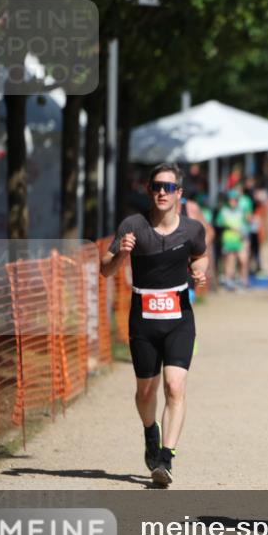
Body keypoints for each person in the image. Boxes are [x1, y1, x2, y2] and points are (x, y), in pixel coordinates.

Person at [100, 163, 208, 486]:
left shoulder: (192, 229)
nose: (163, 192)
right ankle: (150, 430)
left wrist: (200, 272)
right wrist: (121, 254)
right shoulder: (133, 226)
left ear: (180, 194)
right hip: (143, 319)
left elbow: (200, 255)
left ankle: (165, 458)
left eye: (169, 187)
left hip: (179, 319)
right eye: (158, 186)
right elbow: (105, 270)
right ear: (149, 190)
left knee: (175, 386)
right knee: (145, 391)